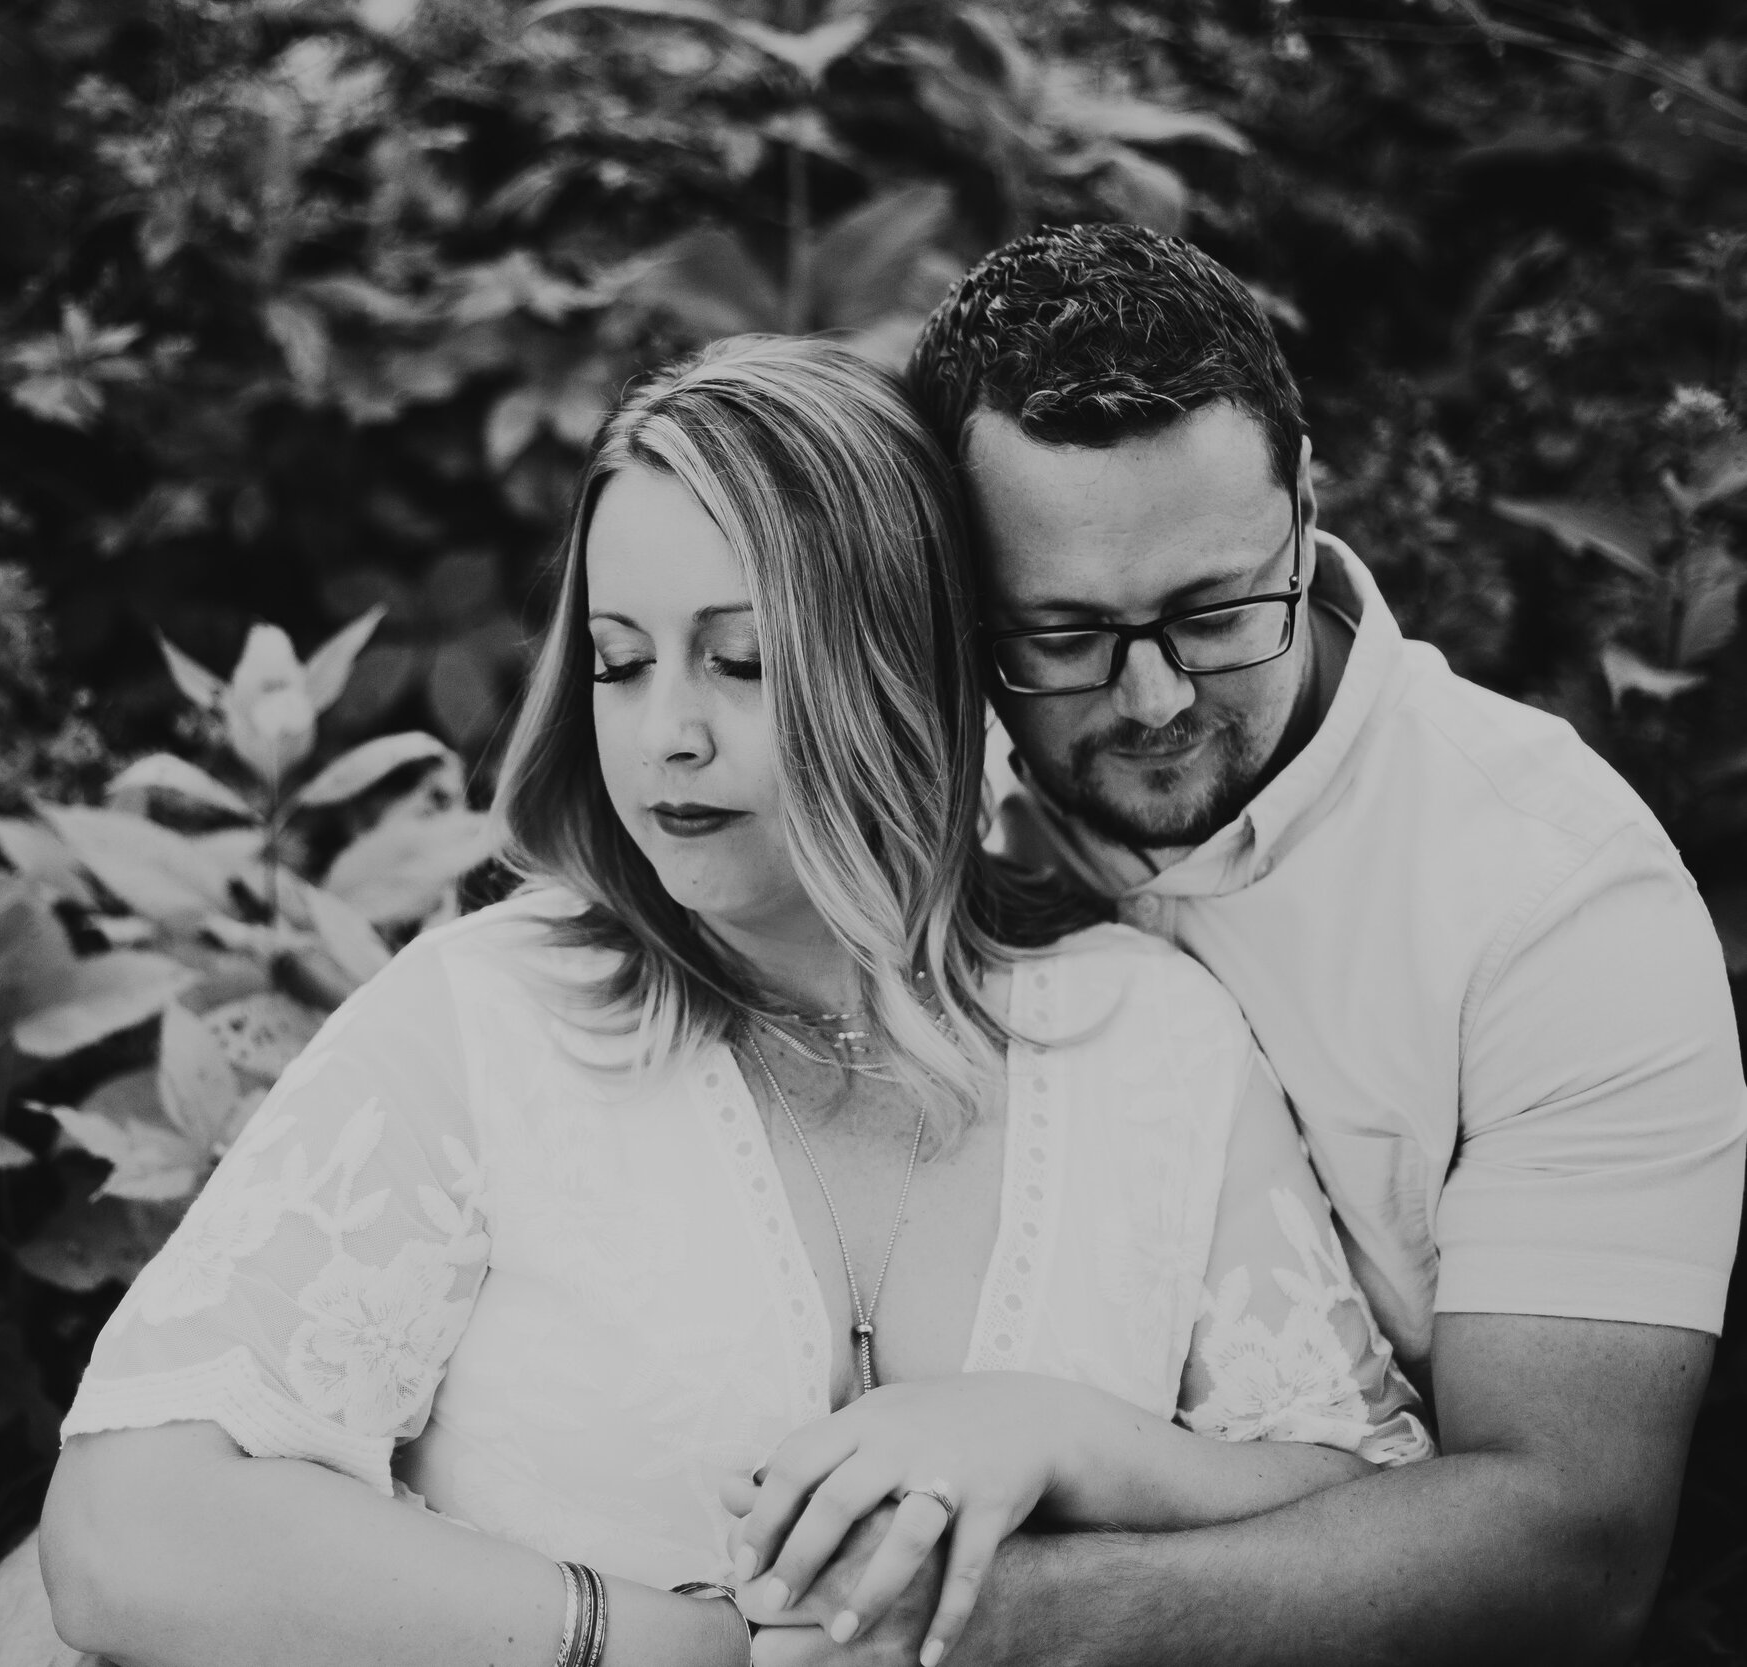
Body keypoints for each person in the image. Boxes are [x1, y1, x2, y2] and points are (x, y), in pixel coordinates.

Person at [26, 336, 1427, 1667]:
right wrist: (678, 1649)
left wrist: (1064, 1438)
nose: (663, 733)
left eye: (739, 662)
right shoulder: (487, 1020)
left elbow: (1365, 1506)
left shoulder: (1149, 1038)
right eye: (621, 661)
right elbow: (126, 1525)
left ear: (905, 668)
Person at [730, 223, 1747, 1665]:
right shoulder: (906, 806)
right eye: (1066, 633)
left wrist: (998, 1623)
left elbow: (1573, 1545)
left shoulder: (1556, 901)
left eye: (1214, 613)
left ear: (1307, 506)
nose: (1150, 700)